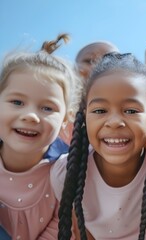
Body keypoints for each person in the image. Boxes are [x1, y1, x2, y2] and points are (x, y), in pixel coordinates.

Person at [51, 52, 146, 240]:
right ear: (84, 117)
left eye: (131, 110)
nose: (114, 122)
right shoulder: (66, 173)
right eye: (100, 110)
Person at [0, 33, 77, 240]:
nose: (30, 116)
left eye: (47, 107)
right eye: (17, 102)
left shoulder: (66, 170)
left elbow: (63, 227)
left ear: (65, 119)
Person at [59, 41, 119, 145]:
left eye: (108, 62)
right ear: (73, 69)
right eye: (89, 61)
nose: (97, 67)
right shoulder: (54, 112)